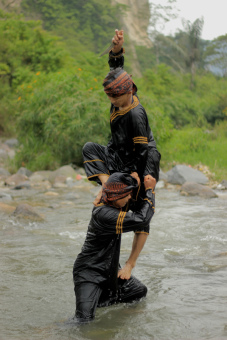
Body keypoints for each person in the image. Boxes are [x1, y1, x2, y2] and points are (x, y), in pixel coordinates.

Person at [82, 29, 161, 280]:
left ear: (129, 92)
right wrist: (116, 48)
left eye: (116, 97)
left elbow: (143, 150)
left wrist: (140, 178)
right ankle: (106, 186)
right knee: (89, 149)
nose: (113, 101)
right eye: (110, 97)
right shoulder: (121, 92)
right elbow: (116, 68)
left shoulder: (136, 115)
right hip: (120, 152)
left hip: (142, 159)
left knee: (140, 208)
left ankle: (130, 263)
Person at [73, 172, 155, 323]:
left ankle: (105, 309)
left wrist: (134, 182)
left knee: (138, 291)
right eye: (127, 194)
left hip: (109, 272)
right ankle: (53, 329)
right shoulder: (103, 213)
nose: (130, 197)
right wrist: (150, 191)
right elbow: (142, 219)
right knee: (83, 321)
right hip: (89, 273)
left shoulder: (113, 202)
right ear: (117, 195)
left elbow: (134, 206)